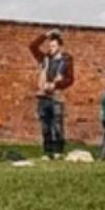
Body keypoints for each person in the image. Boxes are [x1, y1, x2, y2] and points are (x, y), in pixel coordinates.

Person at [29, 29, 75, 158]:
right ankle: (47, 151)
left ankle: (58, 151)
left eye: (54, 46)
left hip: (56, 96)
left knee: (57, 124)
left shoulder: (66, 60)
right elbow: (32, 46)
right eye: (49, 46)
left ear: (60, 46)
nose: (51, 48)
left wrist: (55, 85)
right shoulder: (45, 59)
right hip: (43, 95)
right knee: (45, 125)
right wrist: (46, 35)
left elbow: (70, 79)